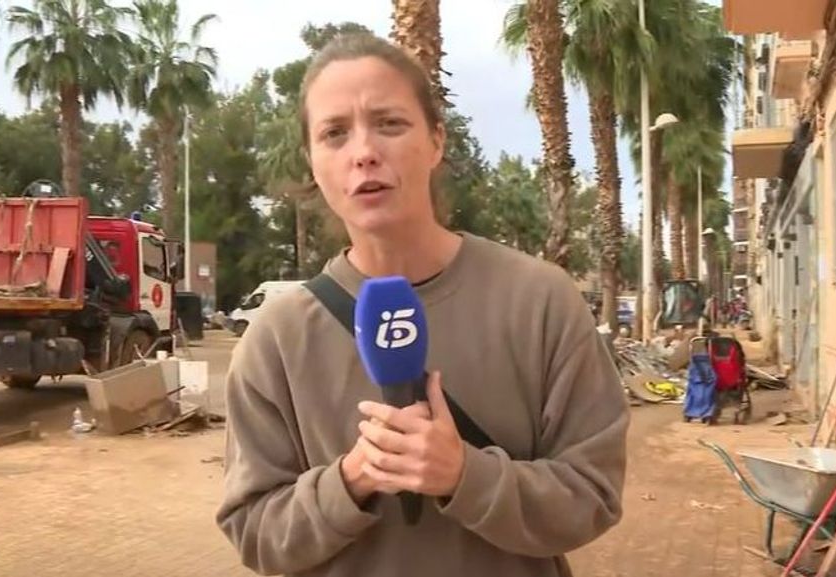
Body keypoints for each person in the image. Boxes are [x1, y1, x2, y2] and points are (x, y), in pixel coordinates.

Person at [215, 33, 629, 577]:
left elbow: (592, 495)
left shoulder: (541, 301)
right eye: (335, 133)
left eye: (389, 123)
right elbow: (256, 535)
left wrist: (466, 475)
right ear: (313, 163)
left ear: (436, 141)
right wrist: (352, 480)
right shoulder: (276, 337)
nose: (364, 152)